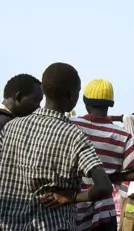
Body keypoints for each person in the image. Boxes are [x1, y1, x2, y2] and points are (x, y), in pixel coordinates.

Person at [0, 62, 113, 231]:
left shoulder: (10, 127)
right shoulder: (75, 136)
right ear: (72, 95)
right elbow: (104, 187)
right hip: (54, 225)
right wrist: (72, 197)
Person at [70, 79, 134, 231]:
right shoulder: (121, 135)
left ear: (85, 102)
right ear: (110, 104)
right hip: (104, 213)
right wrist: (116, 177)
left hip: (72, 210)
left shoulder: (71, 125)